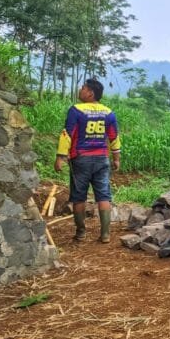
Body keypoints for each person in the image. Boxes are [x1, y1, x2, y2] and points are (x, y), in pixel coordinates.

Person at [54, 78, 120, 243]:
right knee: (104, 196)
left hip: (81, 160)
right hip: (102, 159)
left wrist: (60, 157)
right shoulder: (108, 112)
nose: (80, 90)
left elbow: (67, 134)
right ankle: (105, 234)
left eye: (83, 88)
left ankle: (81, 233)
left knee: (79, 197)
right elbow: (114, 138)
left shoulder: (76, 110)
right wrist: (116, 158)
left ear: (90, 93)